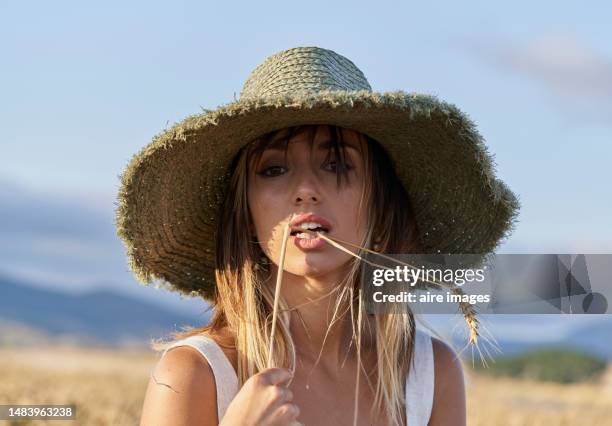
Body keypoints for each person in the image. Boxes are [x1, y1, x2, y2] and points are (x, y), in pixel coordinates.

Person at [115, 46, 520, 426]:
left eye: (338, 164)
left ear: (379, 201)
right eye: (274, 169)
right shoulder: (196, 375)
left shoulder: (430, 375)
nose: (305, 188)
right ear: (245, 210)